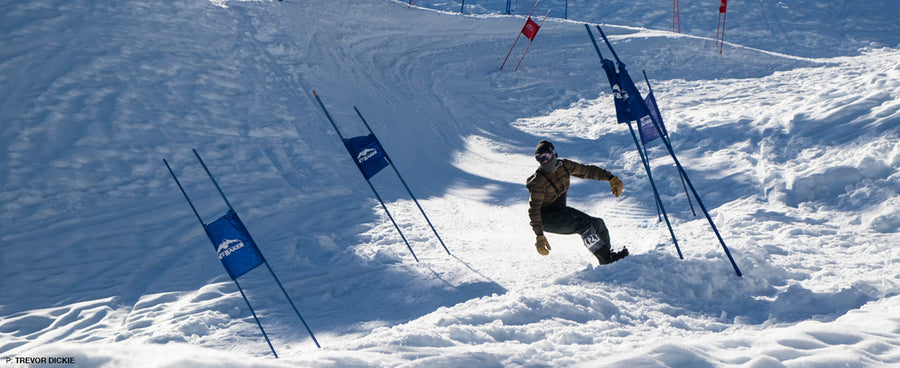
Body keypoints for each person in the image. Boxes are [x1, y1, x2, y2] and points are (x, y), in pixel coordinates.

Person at [526, 140, 629, 264]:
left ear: (554, 153)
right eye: (540, 159)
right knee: (583, 225)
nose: (545, 161)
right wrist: (539, 235)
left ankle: (607, 255)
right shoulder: (539, 182)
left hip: (560, 211)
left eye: (546, 156)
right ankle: (607, 259)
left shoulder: (564, 166)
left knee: (597, 224)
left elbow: (587, 171)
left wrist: (610, 178)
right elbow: (534, 210)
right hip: (546, 220)